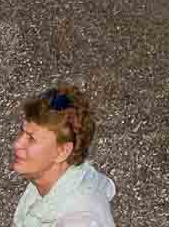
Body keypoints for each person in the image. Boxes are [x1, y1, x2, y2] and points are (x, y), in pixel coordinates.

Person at [9, 83, 116, 227]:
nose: (17, 144)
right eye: (22, 132)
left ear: (62, 152)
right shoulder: (51, 185)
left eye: (31, 138)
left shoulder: (80, 220)